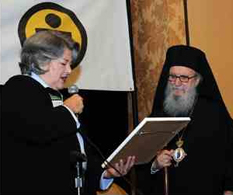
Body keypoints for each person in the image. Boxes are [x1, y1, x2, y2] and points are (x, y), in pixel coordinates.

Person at [0, 30, 135, 195]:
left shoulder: (58, 97)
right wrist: (68, 110)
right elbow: (38, 131)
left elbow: (75, 152)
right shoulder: (19, 88)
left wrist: (105, 174)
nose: (70, 70)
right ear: (42, 61)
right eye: (64, 63)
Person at [135, 45, 233, 195]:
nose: (177, 83)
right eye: (172, 77)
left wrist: (230, 189)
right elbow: (139, 163)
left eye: (184, 78)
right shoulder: (158, 115)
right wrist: (155, 164)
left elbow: (230, 155)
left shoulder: (214, 112)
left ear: (197, 80)